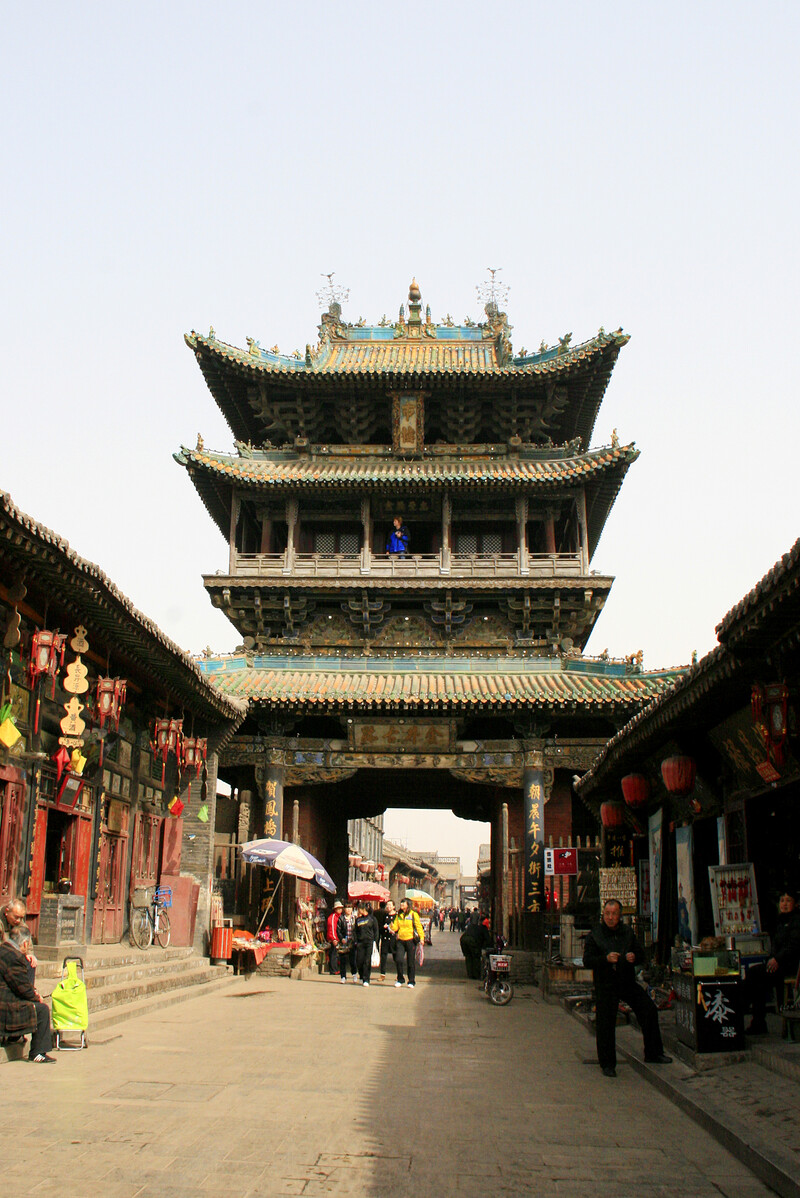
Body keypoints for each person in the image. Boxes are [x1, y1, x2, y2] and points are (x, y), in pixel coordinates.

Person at [583, 898, 672, 1077]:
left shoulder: (627, 933)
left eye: (614, 914)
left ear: (620, 915)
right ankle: (608, 1064)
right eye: (607, 914)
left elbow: (641, 955)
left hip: (626, 981)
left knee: (648, 1010)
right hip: (606, 984)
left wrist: (633, 957)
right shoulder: (595, 935)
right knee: (606, 1023)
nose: (610, 917)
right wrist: (605, 959)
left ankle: (654, 1053)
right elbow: (587, 960)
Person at [745, 891, 800, 1035]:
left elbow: (793, 946)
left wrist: (777, 959)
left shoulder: (796, 921)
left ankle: (752, 1018)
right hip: (778, 964)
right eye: (782, 900)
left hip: (790, 966)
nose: (785, 904)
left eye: (788, 900)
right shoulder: (780, 921)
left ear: (795, 903)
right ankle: (757, 1022)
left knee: (755, 975)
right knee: (755, 978)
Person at [0, 923, 55, 1063]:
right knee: (42, 1009)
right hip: (6, 1006)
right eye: (28, 945)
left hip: (6, 998)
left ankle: (16, 1038)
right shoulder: (13, 957)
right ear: (24, 944)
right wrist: (36, 996)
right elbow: (22, 987)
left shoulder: (5, 950)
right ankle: (38, 1052)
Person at [391, 898, 424, 988]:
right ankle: (400, 979)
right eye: (401, 903)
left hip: (410, 940)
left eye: (403, 903)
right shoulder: (399, 915)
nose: (401, 904)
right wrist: (391, 926)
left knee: (410, 962)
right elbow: (395, 927)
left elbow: (418, 927)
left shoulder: (413, 914)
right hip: (400, 940)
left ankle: (411, 981)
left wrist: (422, 938)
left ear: (408, 904)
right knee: (398, 959)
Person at [353, 902, 380, 986]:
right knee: (359, 961)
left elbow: (376, 931)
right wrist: (356, 941)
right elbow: (355, 931)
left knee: (367, 961)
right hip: (360, 942)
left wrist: (375, 941)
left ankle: (366, 979)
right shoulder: (358, 920)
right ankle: (361, 976)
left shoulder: (372, 919)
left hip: (369, 942)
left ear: (363, 909)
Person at [460, 915, 491, 979]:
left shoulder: (471, 926)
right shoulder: (483, 928)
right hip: (472, 941)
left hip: (463, 939)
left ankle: (470, 974)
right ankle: (476, 975)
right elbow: (488, 939)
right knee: (476, 958)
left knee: (468, 957)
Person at [336, 903, 357, 984]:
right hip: (344, 942)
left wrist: (355, 939)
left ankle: (354, 974)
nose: (348, 909)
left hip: (352, 942)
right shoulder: (341, 919)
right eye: (347, 908)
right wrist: (341, 939)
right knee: (343, 960)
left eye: (350, 908)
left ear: (352, 909)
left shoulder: (354, 918)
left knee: (353, 960)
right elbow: (338, 930)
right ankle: (343, 976)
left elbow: (356, 930)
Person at [378, 900, 397, 981]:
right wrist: (383, 927)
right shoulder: (384, 915)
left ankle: (398, 974)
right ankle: (382, 974)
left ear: (394, 907)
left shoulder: (397, 916)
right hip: (385, 939)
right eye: (387, 905)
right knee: (383, 957)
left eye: (390, 905)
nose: (388, 906)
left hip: (393, 939)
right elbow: (380, 928)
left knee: (396, 957)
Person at [326, 900, 343, 976]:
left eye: (341, 908)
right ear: (335, 909)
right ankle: (333, 970)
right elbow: (332, 928)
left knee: (336, 954)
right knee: (333, 954)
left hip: (338, 938)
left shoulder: (340, 917)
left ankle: (336, 968)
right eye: (338, 908)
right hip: (334, 938)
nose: (340, 910)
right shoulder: (332, 917)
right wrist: (334, 938)